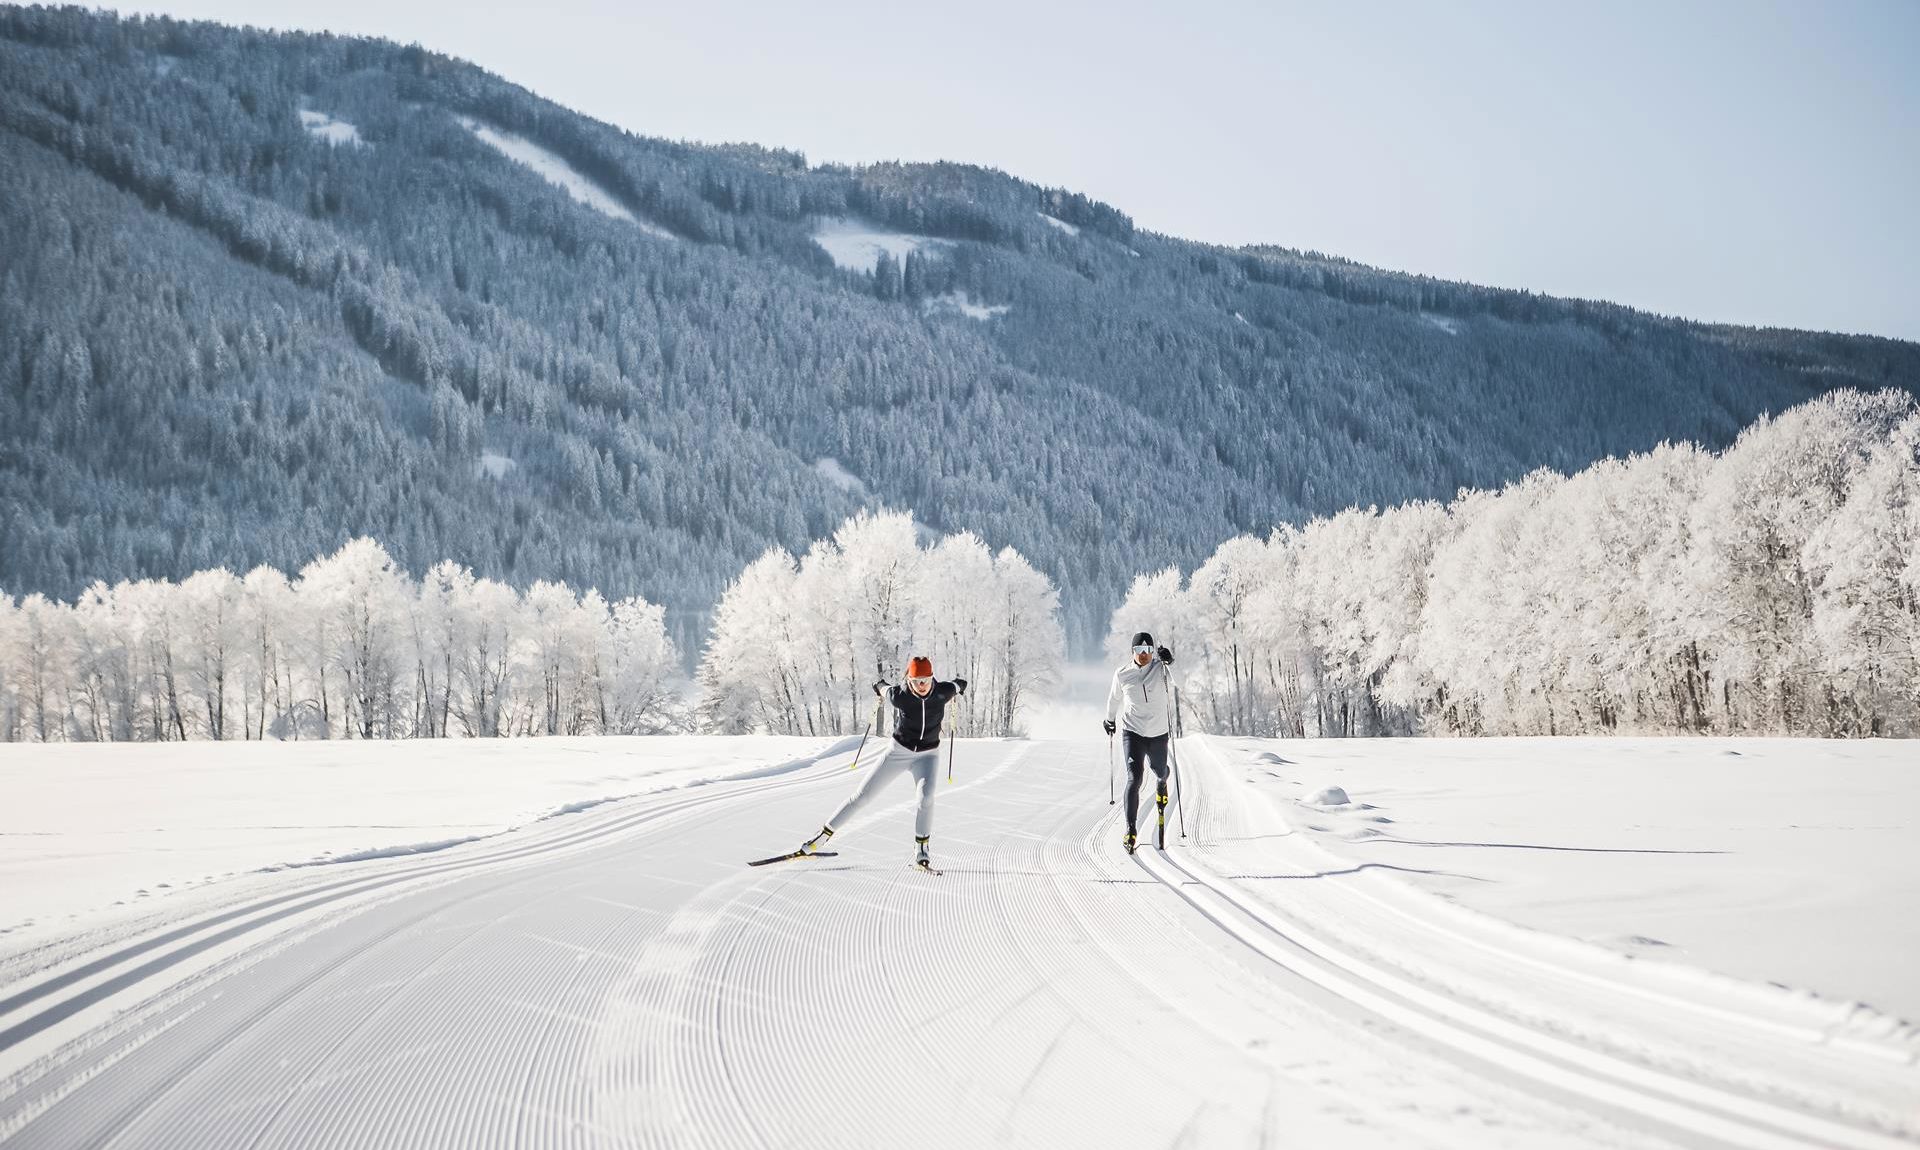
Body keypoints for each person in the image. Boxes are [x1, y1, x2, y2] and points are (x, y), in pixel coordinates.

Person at [796, 656, 967, 870]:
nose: (921, 685)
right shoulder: (900, 696)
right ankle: (821, 837)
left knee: (925, 798)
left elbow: (956, 685)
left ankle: (921, 849)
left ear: (932, 678)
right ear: (909, 680)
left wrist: (960, 685)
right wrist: (879, 686)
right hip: (898, 753)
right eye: (916, 681)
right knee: (862, 796)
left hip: (928, 756)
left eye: (925, 680)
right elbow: (885, 689)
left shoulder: (943, 692)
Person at [1103, 631, 1176, 853]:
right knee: (1134, 778)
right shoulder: (1122, 674)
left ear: (1152, 651)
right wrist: (1109, 720)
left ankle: (1162, 781)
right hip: (1132, 732)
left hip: (1158, 733)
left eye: (1147, 650)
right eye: (1139, 650)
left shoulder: (1161, 669)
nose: (1143, 654)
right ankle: (1130, 829)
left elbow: (1179, 683)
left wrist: (1170, 662)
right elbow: (1114, 698)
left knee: (1160, 770)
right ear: (1132, 652)